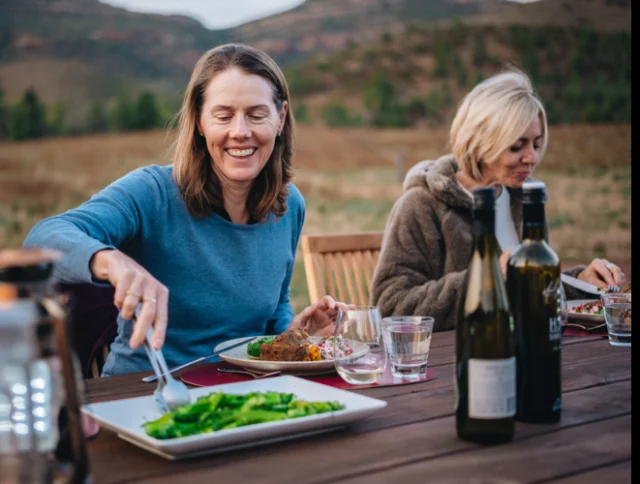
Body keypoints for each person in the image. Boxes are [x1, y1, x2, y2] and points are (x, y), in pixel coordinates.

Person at [23, 43, 338, 376]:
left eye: (257, 115)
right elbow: (41, 239)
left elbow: (274, 312)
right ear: (199, 121)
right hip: (147, 392)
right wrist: (112, 262)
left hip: (243, 396)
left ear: (280, 118)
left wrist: (293, 336)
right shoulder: (152, 192)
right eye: (223, 115)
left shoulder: (289, 206)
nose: (241, 132)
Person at [370, 68, 626, 331]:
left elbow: (527, 288)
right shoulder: (422, 205)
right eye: (517, 146)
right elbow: (390, 306)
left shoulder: (525, 201)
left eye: (536, 144)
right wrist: (486, 279)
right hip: (459, 360)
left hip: (527, 347)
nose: (532, 158)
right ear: (480, 142)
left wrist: (581, 282)